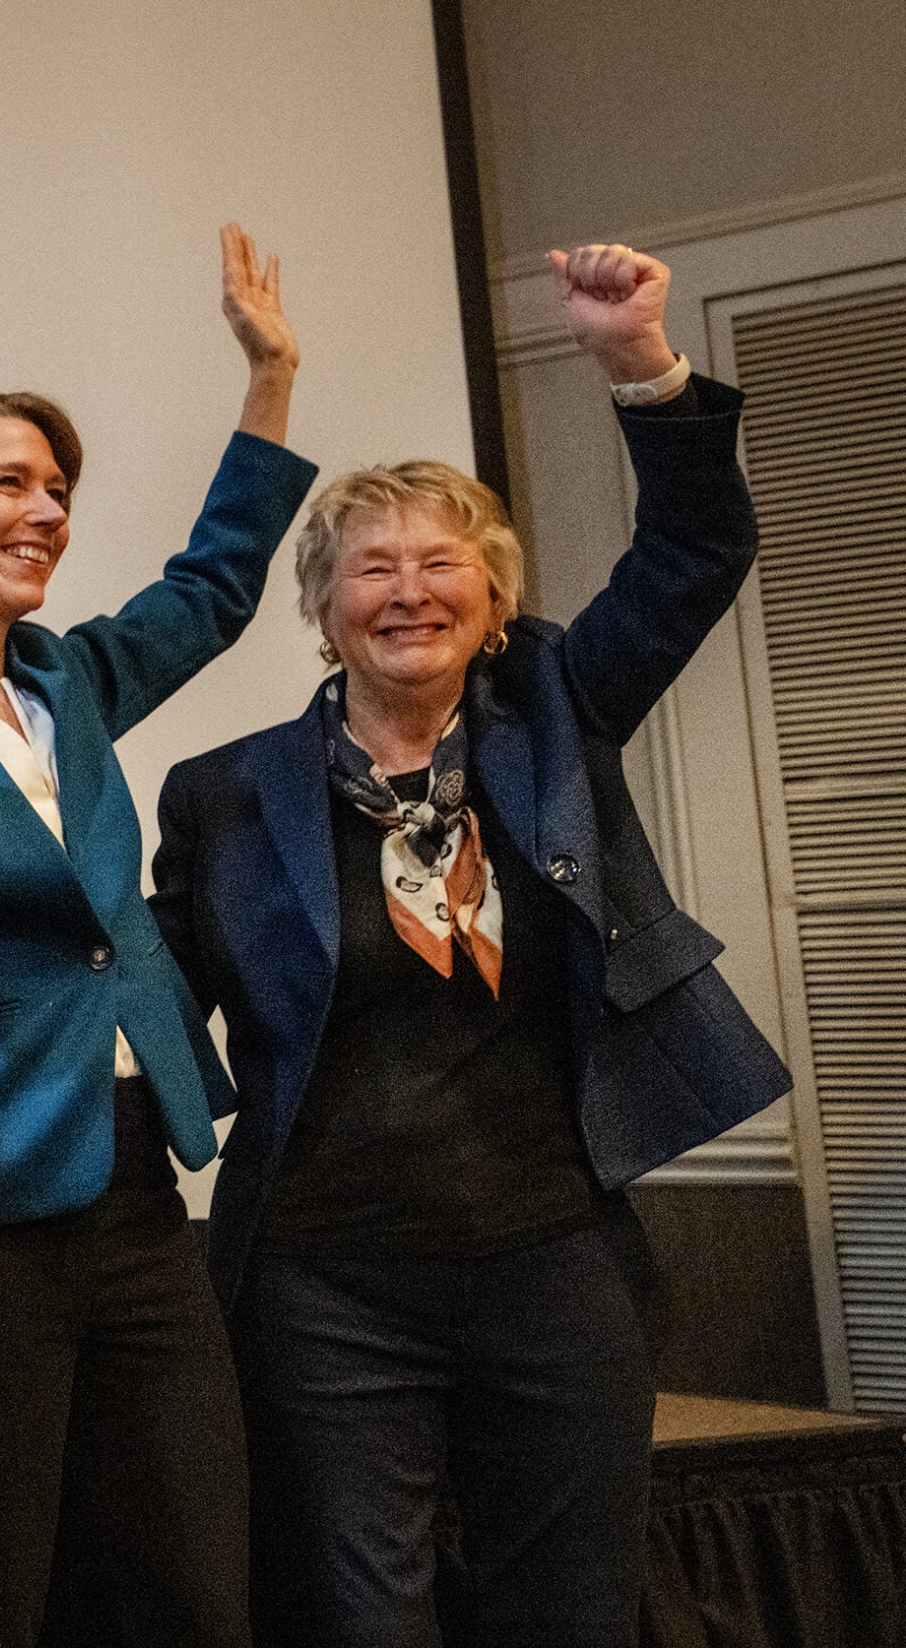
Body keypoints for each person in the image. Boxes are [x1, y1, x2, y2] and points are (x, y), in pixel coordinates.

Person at [148, 244, 791, 1648]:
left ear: (494, 602)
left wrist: (637, 359)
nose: (410, 588)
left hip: (553, 1257)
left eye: (445, 562)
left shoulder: (555, 710)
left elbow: (696, 551)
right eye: (372, 566)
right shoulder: (223, 795)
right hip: (325, 1287)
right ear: (322, 611)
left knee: (568, 1614)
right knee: (363, 1623)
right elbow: (147, 994)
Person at [0, 226, 318, 1647]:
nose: (48, 511)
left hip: (136, 1175)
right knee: (2, 1584)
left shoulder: (68, 675)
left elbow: (215, 588)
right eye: (12, 483)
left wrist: (269, 379)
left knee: (194, 1578)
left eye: (61, 489)